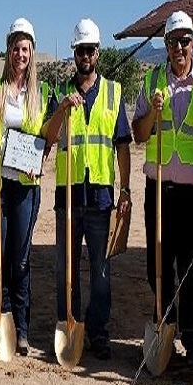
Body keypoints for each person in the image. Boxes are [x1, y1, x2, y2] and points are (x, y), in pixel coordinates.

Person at [131, 11, 193, 367]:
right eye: (173, 41)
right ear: (165, 46)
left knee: (191, 267)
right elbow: (139, 134)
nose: (179, 47)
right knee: (158, 263)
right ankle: (164, 325)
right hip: (159, 189)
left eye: (185, 41)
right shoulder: (152, 80)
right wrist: (153, 112)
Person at [43, 18, 132, 361]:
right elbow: (48, 140)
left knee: (101, 270)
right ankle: (69, 324)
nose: (84, 56)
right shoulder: (60, 94)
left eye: (89, 50)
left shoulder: (113, 92)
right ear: (74, 54)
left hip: (100, 196)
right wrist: (61, 110)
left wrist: (125, 191)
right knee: (65, 268)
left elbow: (122, 145)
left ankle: (98, 333)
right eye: (79, 50)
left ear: (97, 53)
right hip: (68, 195)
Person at [0, 17, 52, 356]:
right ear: (8, 52)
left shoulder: (43, 93)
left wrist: (38, 162)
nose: (20, 54)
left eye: (26, 48)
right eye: (15, 48)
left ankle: (22, 328)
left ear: (31, 53)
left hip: (25, 186)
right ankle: (1, 317)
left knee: (21, 258)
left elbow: (46, 139)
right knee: (1, 256)